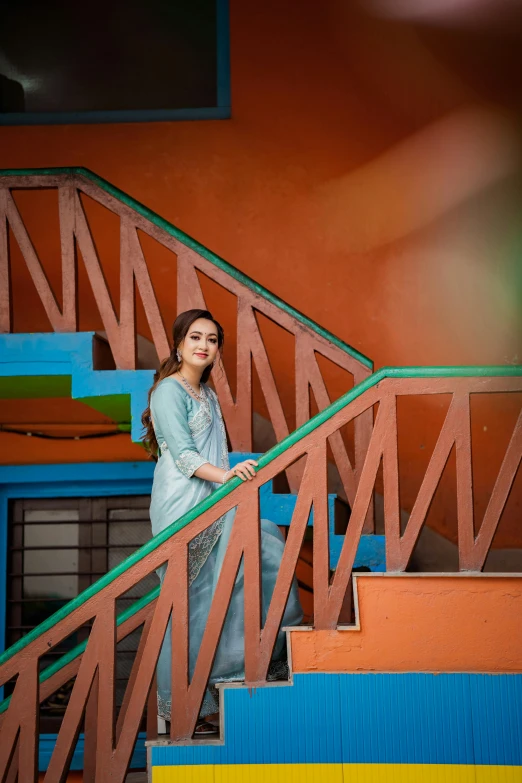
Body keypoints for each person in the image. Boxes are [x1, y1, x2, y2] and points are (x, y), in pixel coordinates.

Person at [141, 309, 303, 736]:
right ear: (178, 344)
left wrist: (227, 481)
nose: (203, 345)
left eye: (212, 340)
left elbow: (213, 453)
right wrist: (229, 475)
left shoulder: (207, 394)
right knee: (191, 604)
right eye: (195, 337)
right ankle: (185, 709)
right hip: (183, 504)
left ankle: (237, 674)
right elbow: (184, 455)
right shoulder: (167, 392)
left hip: (216, 498)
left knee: (267, 550)